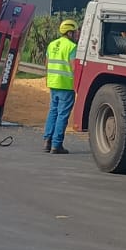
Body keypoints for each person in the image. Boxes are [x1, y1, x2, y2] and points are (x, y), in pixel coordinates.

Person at [43, 19, 80, 154]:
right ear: (69, 33)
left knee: (53, 112)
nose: (77, 34)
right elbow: (74, 67)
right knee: (62, 115)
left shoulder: (51, 45)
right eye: (75, 32)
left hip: (53, 84)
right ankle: (56, 145)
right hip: (66, 85)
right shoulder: (71, 47)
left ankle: (47, 141)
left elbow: (46, 65)